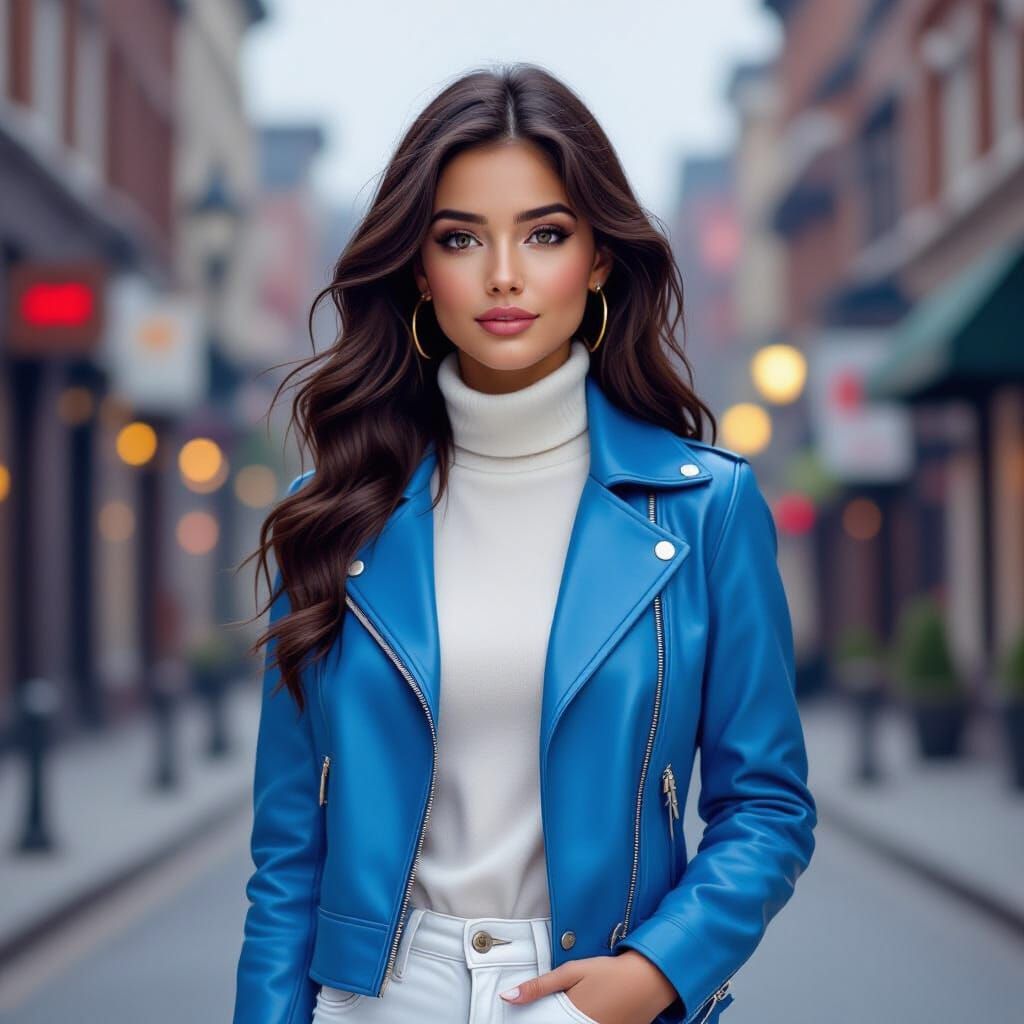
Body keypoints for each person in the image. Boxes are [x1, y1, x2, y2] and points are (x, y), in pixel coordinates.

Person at [231, 62, 817, 1024]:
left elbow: (768, 806)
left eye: (544, 234)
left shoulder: (707, 508)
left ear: (596, 259)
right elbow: (288, 850)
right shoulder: (335, 510)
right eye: (461, 238)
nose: (503, 273)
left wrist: (654, 974)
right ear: (419, 268)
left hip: (595, 994)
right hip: (375, 998)